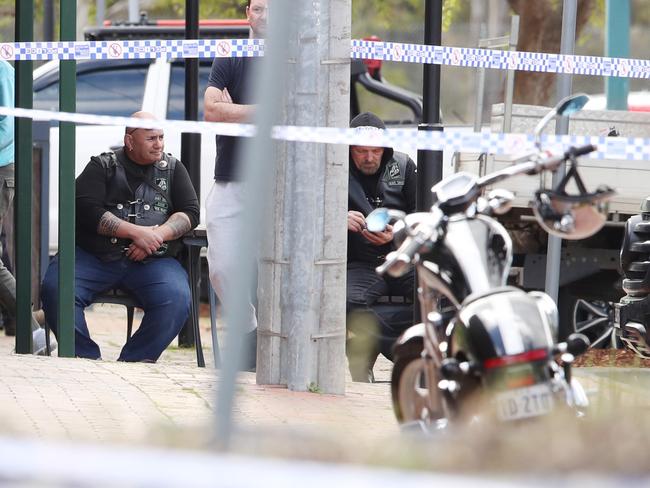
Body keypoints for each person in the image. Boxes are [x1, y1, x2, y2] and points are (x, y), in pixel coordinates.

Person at [40, 112, 199, 362]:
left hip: (154, 261)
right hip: (96, 257)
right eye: (151, 138)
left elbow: (191, 212)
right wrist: (137, 233)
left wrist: (154, 237)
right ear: (129, 140)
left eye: (161, 137)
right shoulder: (102, 166)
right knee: (56, 288)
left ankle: (135, 361)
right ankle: (83, 358)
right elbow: (86, 209)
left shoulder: (174, 169)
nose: (159, 144)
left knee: (176, 299)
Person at [202, 0, 267, 371]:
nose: (265, 15)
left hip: (279, 184)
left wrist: (237, 110)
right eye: (257, 8)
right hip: (230, 178)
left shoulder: (294, 56)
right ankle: (248, 332)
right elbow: (211, 110)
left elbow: (295, 110)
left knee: (276, 269)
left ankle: (272, 345)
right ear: (247, 13)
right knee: (222, 266)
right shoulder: (230, 54)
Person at [346, 112, 417, 382]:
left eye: (375, 151)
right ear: (349, 149)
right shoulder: (333, 167)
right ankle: (399, 352)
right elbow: (310, 210)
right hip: (360, 264)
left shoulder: (404, 165)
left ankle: (369, 343)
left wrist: (396, 235)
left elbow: (422, 214)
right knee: (349, 301)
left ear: (385, 149)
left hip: (400, 258)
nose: (368, 157)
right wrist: (338, 218)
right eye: (361, 151)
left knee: (438, 294)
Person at [0, 59, 55, 354]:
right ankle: (33, 333)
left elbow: (8, 127)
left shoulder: (2, 71)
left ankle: (33, 333)